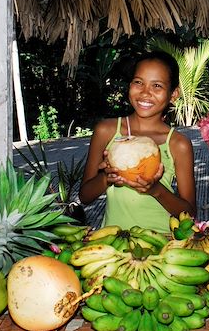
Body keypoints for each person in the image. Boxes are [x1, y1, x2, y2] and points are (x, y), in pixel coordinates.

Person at [79, 51, 196, 233]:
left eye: (157, 86)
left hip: (161, 243)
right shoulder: (107, 131)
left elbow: (190, 213)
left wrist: (155, 190)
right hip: (112, 243)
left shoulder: (178, 144)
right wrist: (105, 178)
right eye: (138, 82)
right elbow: (85, 196)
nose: (145, 93)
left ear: (173, 94)